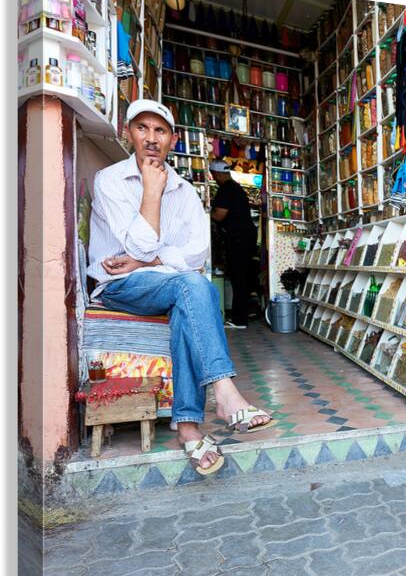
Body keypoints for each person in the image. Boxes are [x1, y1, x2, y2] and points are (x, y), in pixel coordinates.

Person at [87, 99, 273, 476]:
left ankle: (189, 428)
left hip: (166, 283)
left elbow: (197, 253)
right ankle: (224, 393)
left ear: (172, 139)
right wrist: (151, 191)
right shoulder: (109, 180)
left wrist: (150, 260)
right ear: (128, 133)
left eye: (160, 131)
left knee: (192, 288)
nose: (151, 138)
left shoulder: (186, 191)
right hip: (120, 285)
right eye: (143, 128)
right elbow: (137, 248)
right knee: (191, 285)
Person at [209, 160, 258, 329]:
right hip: (246, 238)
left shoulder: (226, 190)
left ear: (217, 174)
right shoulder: (236, 188)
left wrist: (207, 212)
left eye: (214, 175)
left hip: (238, 239)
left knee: (239, 278)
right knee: (241, 278)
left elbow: (219, 215)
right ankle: (241, 316)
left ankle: (239, 320)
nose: (214, 178)